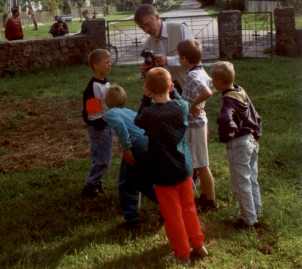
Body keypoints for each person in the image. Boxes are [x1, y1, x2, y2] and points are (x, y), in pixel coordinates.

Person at [135, 67, 208, 263]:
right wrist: (172, 88)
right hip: (184, 167)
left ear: (148, 89)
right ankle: (198, 244)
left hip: (162, 172)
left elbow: (138, 120)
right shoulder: (182, 107)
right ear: (171, 86)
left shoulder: (149, 113)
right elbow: (179, 99)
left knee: (172, 214)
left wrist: (145, 98)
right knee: (189, 208)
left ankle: (183, 252)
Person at [211, 61, 262, 229]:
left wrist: (228, 134)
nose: (212, 82)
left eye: (213, 80)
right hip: (252, 140)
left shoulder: (228, 100)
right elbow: (255, 114)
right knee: (252, 178)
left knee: (242, 182)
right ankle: (256, 211)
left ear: (219, 82)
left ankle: (248, 219)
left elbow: (227, 119)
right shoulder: (240, 90)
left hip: (239, 144)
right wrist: (257, 131)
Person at [103, 85, 157, 225]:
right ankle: (167, 202)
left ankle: (132, 218)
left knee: (128, 182)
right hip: (148, 144)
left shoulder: (110, 113)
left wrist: (127, 149)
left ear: (107, 100)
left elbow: (120, 127)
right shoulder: (130, 111)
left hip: (136, 147)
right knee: (141, 179)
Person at [177, 39, 217, 211]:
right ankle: (203, 197)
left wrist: (194, 105)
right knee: (197, 162)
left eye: (180, 57)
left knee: (202, 164)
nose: (179, 60)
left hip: (196, 125)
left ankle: (210, 201)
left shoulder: (193, 75)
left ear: (185, 59)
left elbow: (208, 91)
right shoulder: (201, 71)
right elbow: (212, 86)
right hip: (197, 122)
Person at [134, 4, 192, 93]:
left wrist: (167, 60)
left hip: (189, 87)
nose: (146, 30)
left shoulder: (180, 29)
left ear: (157, 17)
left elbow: (193, 57)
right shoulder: (148, 44)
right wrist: (145, 72)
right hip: (166, 94)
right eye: (142, 27)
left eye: (148, 24)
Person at [81, 49, 112, 198]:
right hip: (99, 127)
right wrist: (101, 125)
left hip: (106, 124)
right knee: (103, 159)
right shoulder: (93, 87)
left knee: (98, 157)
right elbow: (93, 112)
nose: (109, 64)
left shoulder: (105, 82)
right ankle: (91, 185)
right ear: (95, 65)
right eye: (106, 62)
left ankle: (96, 182)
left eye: (110, 61)